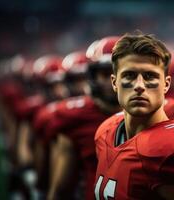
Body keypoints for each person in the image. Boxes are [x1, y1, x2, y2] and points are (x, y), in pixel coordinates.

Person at [94, 32, 174, 200]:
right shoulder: (105, 131)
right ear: (115, 82)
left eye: (150, 76)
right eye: (129, 75)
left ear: (166, 85)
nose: (139, 86)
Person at [44, 36, 122, 200]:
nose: (112, 81)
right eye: (105, 73)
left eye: (119, 72)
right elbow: (60, 189)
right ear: (92, 77)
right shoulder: (74, 117)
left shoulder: (158, 113)